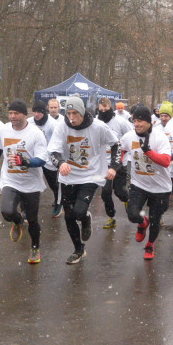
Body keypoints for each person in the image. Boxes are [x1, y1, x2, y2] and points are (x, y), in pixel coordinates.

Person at [47, 96, 121, 264]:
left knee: (78, 212)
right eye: (68, 113)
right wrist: (61, 163)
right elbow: (53, 151)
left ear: (82, 112)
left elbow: (116, 144)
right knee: (68, 217)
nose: (71, 118)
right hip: (68, 176)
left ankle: (85, 217)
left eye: (75, 113)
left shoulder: (98, 127)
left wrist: (113, 167)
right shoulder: (62, 126)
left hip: (91, 175)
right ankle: (78, 249)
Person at [0, 99, 49, 263]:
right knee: (6, 211)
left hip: (31, 183)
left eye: (16, 113)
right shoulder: (3, 130)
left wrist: (25, 162)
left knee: (33, 219)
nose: (12, 116)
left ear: (25, 115)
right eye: (10, 113)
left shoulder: (36, 133)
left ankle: (35, 248)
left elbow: (42, 159)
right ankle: (17, 221)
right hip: (11, 179)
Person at [119, 105, 172, 259]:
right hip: (139, 184)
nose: (137, 124)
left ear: (149, 122)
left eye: (140, 121)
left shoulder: (160, 137)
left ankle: (150, 244)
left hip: (160, 187)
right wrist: (116, 166)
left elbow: (166, 161)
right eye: (135, 120)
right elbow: (119, 149)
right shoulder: (129, 136)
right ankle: (142, 223)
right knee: (132, 214)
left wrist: (149, 152)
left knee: (156, 221)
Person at [96, 96, 132, 228]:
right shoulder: (96, 121)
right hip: (103, 163)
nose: (103, 112)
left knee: (119, 191)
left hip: (118, 161)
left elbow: (131, 135)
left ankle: (127, 200)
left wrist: (124, 150)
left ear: (110, 108)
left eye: (106, 109)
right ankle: (111, 217)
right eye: (101, 110)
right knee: (105, 192)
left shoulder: (120, 121)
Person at [29, 99, 64, 217]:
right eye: (35, 112)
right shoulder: (29, 123)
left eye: (39, 112)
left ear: (44, 112)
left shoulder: (53, 124)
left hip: (49, 158)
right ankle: (26, 207)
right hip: (34, 157)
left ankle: (59, 201)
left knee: (53, 183)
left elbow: (59, 141)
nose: (36, 114)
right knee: (30, 181)